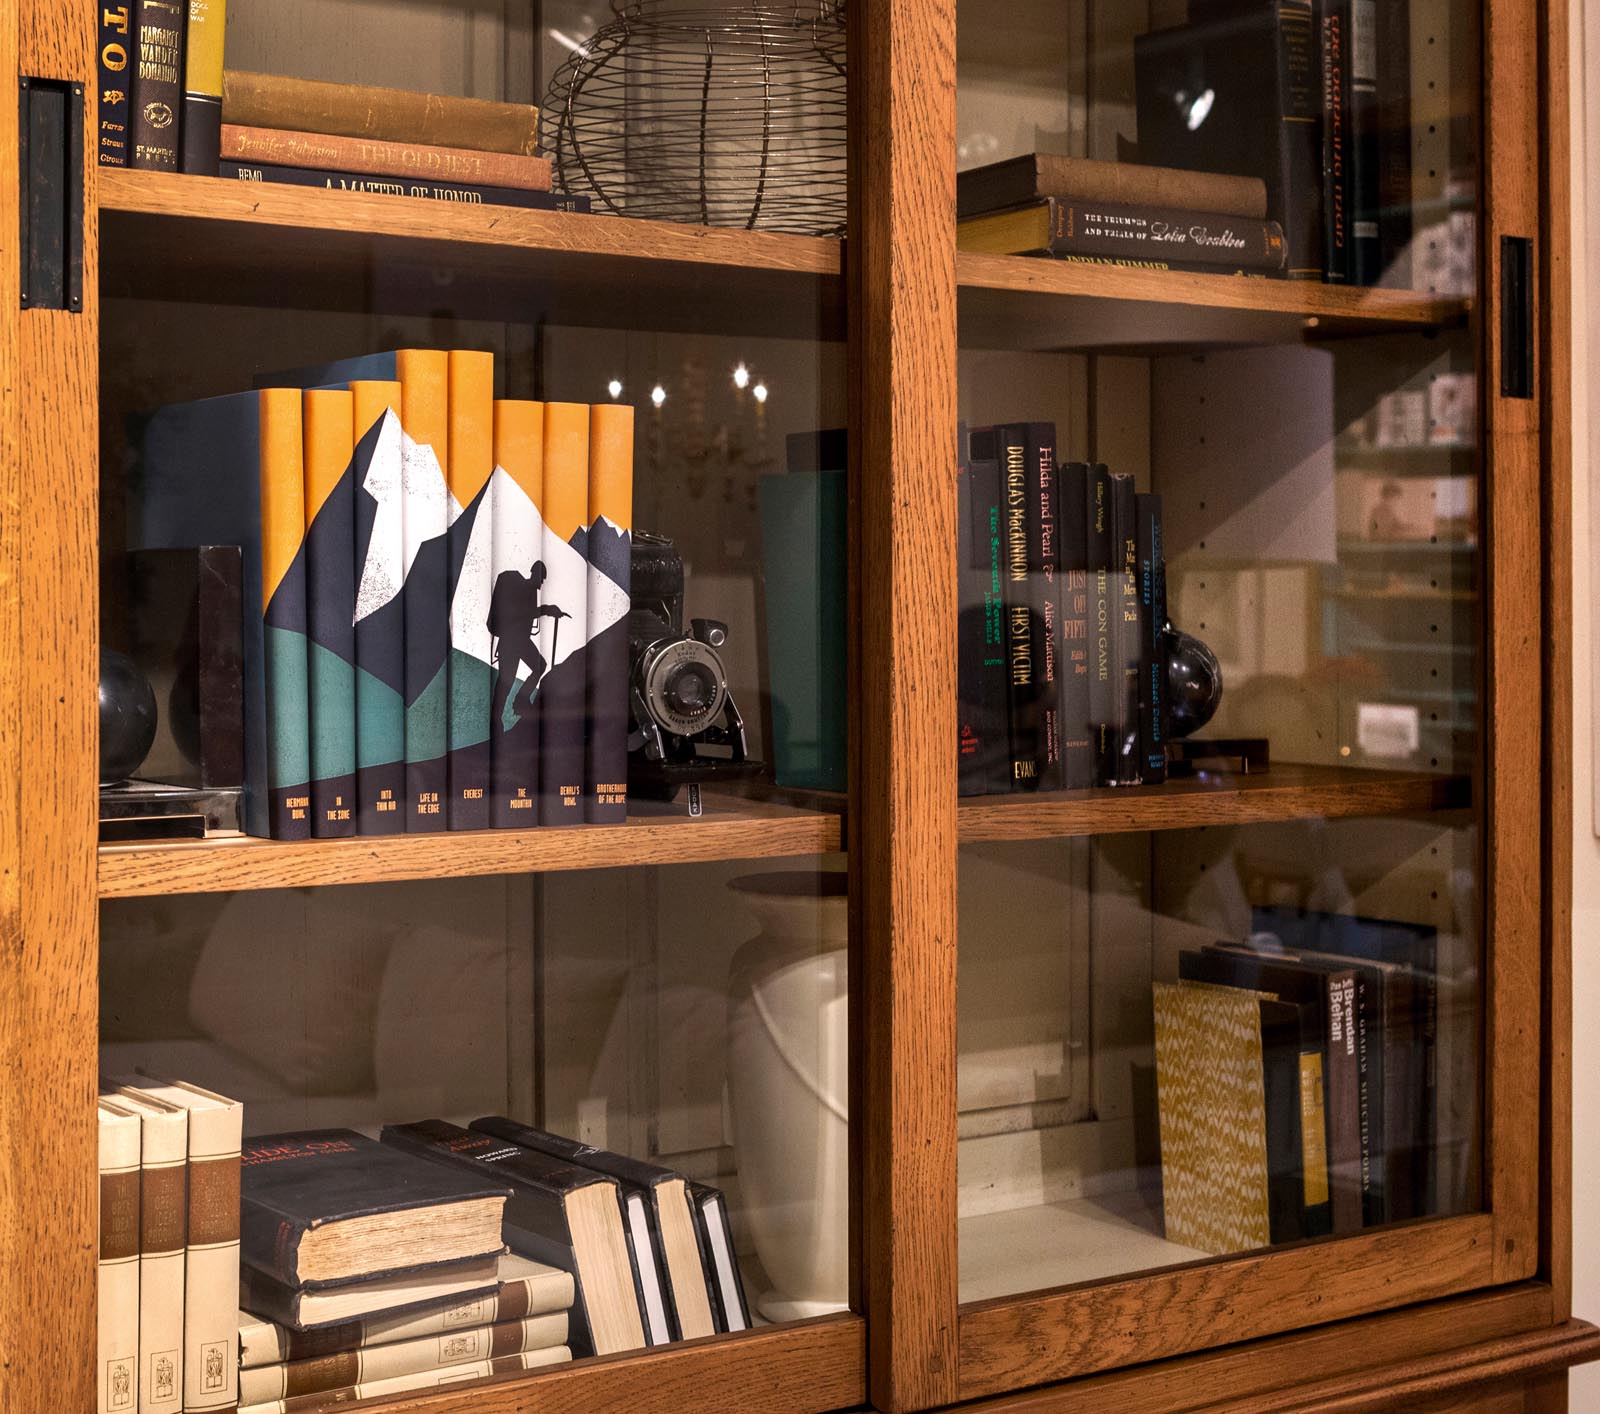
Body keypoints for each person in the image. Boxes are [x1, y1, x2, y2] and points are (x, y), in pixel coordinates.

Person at [487, 560, 568, 731]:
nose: (542, 583)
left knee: (539, 666)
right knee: (506, 681)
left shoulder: (530, 591)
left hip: (521, 641)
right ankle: (495, 719)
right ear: (535, 574)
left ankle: (520, 701)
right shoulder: (521, 589)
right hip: (511, 642)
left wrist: (549, 610)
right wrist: (546, 609)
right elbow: (520, 614)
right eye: (542, 578)